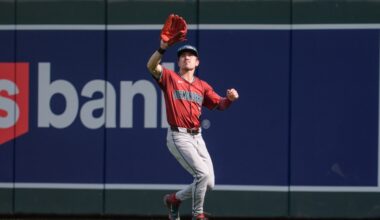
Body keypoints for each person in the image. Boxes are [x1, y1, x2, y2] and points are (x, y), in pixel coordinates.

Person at [147, 40, 239, 220]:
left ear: (197, 62)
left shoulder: (202, 86)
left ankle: (174, 199)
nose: (186, 57)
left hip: (197, 137)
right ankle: (198, 215)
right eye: (182, 55)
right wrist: (163, 48)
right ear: (178, 62)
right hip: (178, 136)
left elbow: (219, 104)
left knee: (209, 183)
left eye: (190, 55)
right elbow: (151, 66)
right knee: (202, 175)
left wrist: (229, 99)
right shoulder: (170, 78)